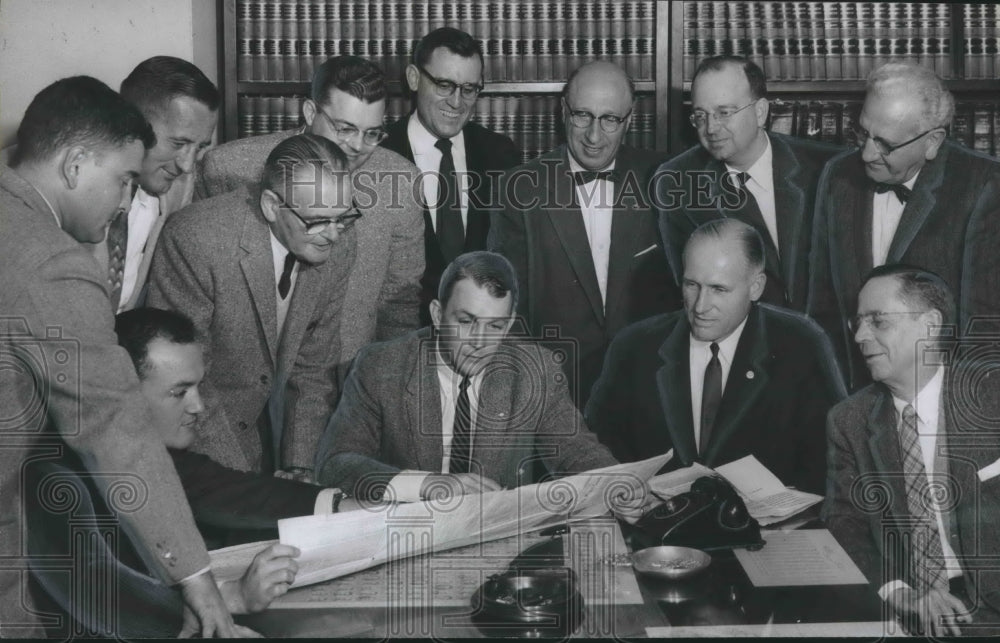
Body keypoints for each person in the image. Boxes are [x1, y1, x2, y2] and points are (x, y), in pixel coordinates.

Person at [0, 76, 235, 637]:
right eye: (124, 179)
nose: (128, 200)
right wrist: (197, 579)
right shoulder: (52, 264)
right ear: (75, 164)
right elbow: (116, 431)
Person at [314, 251, 619, 503]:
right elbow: (336, 464)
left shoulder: (535, 371)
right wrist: (428, 485)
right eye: (466, 322)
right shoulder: (381, 366)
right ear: (437, 314)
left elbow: (578, 453)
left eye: (496, 326)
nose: (480, 341)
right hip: (406, 539)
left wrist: (619, 487)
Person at [197, 56, 424, 383]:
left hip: (347, 386)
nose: (358, 146)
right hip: (241, 391)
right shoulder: (230, 170)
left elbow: (399, 308)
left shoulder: (401, 183)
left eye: (372, 133)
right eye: (345, 129)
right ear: (309, 112)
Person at [148, 134, 356, 479]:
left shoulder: (339, 241)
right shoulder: (196, 240)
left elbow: (314, 370)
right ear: (272, 205)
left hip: (262, 429)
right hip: (194, 435)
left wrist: (299, 466)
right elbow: (188, 382)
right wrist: (242, 484)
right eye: (318, 220)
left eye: (343, 218)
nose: (333, 235)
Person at [586, 219, 846, 494]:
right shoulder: (634, 347)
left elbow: (833, 460)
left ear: (756, 286)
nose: (701, 306)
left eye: (719, 289)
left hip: (772, 532)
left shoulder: (801, 344)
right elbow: (596, 449)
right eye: (691, 285)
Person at [823, 265, 1000, 636]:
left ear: (930, 326)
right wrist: (903, 595)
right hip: (913, 615)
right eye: (858, 322)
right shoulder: (849, 420)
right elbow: (844, 521)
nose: (859, 335)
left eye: (877, 321)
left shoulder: (991, 395)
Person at [488, 60, 674, 408]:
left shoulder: (664, 179)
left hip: (649, 389)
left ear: (629, 120)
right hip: (555, 393)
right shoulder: (518, 189)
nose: (593, 136)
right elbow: (506, 312)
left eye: (610, 119)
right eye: (583, 115)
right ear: (563, 111)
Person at [807, 62, 1000, 390]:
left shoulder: (983, 185)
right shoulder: (837, 175)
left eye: (885, 144)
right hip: (853, 397)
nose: (867, 154)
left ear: (933, 141)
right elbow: (821, 305)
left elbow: (983, 327)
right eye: (863, 133)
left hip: (939, 400)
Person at [115, 307, 358, 544]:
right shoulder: (108, 466)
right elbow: (219, 492)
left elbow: (225, 488)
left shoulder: (164, 455)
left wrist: (336, 505)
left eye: (198, 387)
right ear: (125, 392)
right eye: (179, 392)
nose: (198, 406)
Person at [655, 55, 842, 310]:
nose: (710, 128)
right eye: (700, 115)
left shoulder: (828, 167)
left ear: (760, 111)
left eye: (724, 113)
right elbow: (690, 293)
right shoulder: (678, 180)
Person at [381, 27, 521, 325]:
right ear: (414, 79)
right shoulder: (379, 154)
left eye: (469, 89)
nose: (457, 103)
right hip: (399, 340)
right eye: (445, 85)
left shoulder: (500, 153)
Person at [97, 56, 220, 313]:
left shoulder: (181, 187)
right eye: (178, 143)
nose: (187, 165)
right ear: (132, 122)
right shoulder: (73, 182)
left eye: (200, 147)